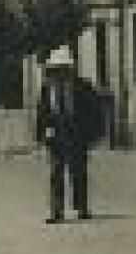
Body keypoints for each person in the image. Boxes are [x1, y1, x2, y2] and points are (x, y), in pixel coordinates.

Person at [35, 49, 104, 223]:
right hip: (55, 135)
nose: (59, 75)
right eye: (55, 70)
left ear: (70, 69)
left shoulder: (83, 87)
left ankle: (81, 207)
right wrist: (42, 134)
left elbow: (95, 111)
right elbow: (42, 112)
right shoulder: (47, 89)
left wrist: (93, 135)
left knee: (78, 172)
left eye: (63, 69)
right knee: (56, 173)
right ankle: (56, 211)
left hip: (77, 134)